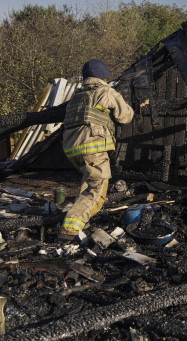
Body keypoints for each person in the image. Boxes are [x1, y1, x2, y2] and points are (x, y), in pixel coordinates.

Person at [59, 59, 134, 241]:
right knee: (96, 190)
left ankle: (82, 221)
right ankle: (69, 230)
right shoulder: (106, 91)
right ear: (104, 76)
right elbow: (125, 117)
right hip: (92, 146)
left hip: (71, 148)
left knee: (88, 184)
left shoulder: (76, 96)